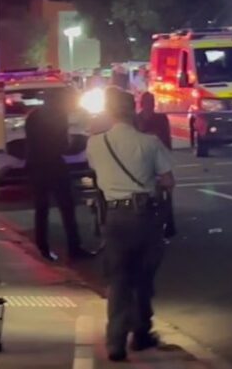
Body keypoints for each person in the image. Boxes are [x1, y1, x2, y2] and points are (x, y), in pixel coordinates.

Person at [86, 90, 175, 362]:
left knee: (118, 279)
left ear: (109, 113)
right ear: (133, 110)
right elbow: (168, 181)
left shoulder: (95, 143)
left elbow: (98, 175)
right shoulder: (150, 142)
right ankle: (141, 332)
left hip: (113, 218)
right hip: (145, 216)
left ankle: (115, 342)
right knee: (143, 278)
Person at [25, 89, 91, 262]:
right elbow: (63, 145)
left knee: (41, 208)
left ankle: (43, 247)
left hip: (35, 165)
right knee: (66, 206)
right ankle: (74, 246)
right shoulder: (59, 116)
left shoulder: (32, 116)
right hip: (54, 164)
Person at [136, 92, 175, 238]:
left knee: (163, 192)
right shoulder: (156, 119)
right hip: (151, 158)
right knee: (162, 192)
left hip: (154, 157)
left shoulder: (143, 119)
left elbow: (166, 138)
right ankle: (165, 226)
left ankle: (166, 226)